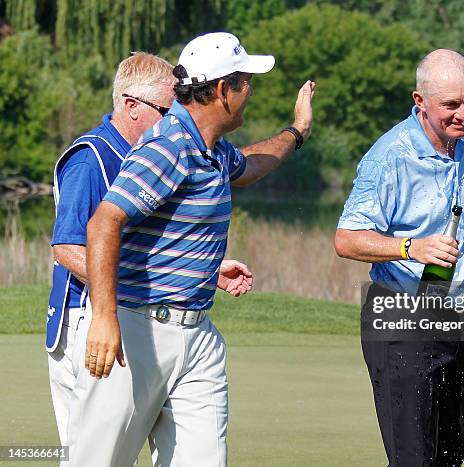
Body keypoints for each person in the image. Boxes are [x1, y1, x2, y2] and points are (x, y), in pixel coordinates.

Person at [67, 32, 315, 467]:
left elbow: (251, 164)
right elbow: (104, 221)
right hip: (135, 332)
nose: (250, 90)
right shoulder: (170, 145)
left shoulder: (212, 150)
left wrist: (296, 133)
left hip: (197, 335)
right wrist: (105, 317)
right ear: (222, 90)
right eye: (244, 81)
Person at [47, 52, 253, 448]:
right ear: (130, 106)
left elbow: (154, 244)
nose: (175, 115)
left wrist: (199, 269)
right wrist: (121, 298)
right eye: (165, 107)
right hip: (86, 320)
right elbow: (68, 247)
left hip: (136, 314)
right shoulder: (91, 158)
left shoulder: (168, 148)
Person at [334, 49, 464, 466]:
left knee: (448, 461)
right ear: (419, 101)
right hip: (401, 318)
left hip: (456, 317)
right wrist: (411, 247)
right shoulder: (389, 157)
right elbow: (346, 239)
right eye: (451, 105)